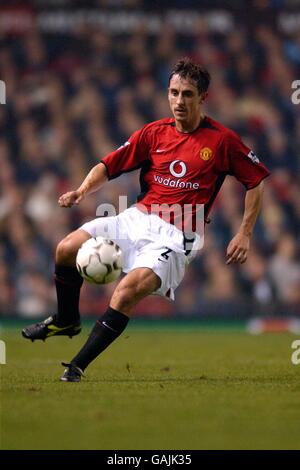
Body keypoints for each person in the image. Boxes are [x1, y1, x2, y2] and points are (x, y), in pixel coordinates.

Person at [22, 58, 270, 382]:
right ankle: (67, 319)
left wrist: (245, 233)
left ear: (202, 97)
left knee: (125, 292)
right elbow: (109, 165)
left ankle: (76, 366)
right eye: (174, 93)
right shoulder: (154, 133)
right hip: (136, 218)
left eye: (187, 94)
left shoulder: (222, 141)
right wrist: (82, 190)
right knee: (66, 249)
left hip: (178, 235)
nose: (179, 101)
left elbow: (255, 181)